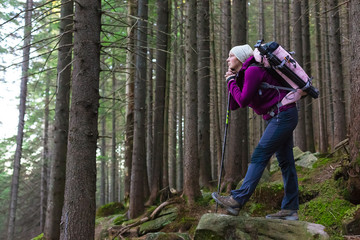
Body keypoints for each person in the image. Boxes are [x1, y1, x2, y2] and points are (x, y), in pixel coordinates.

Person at [212, 44, 300, 221]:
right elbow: (234, 104)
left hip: (282, 115)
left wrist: (231, 83)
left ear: (240, 58)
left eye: (231, 56)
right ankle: (290, 209)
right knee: (285, 162)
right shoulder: (245, 75)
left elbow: (243, 101)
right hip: (279, 116)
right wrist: (233, 82)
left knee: (260, 154)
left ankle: (237, 199)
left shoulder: (253, 71)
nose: (227, 59)